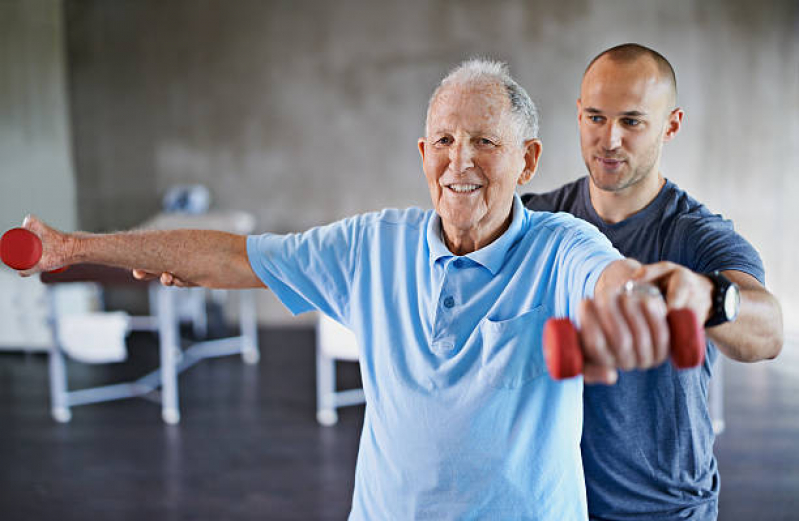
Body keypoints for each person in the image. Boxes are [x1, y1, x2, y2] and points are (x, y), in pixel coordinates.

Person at [21, 59, 711, 520]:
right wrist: (72, 248)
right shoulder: (371, 244)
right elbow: (232, 254)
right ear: (421, 155)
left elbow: (609, 276)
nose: (458, 162)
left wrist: (644, 294)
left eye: (483, 142)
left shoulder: (560, 244)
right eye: (442, 141)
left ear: (527, 158)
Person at [522, 44, 784, 520]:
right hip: (554, 502)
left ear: (672, 125)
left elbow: (768, 333)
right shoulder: (539, 218)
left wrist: (708, 298)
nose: (610, 140)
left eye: (632, 121)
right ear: (578, 115)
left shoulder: (694, 232)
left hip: (664, 508)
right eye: (597, 118)